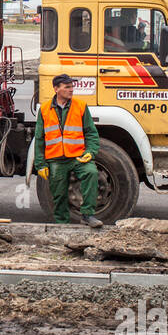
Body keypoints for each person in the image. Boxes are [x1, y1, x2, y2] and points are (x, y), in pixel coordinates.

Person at [34, 73, 103, 227]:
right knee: (58, 195)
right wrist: (40, 164)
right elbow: (39, 139)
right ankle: (61, 224)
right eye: (67, 87)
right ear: (56, 89)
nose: (71, 90)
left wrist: (90, 152)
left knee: (91, 172)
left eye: (72, 86)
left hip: (77, 157)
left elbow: (91, 133)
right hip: (56, 159)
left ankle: (87, 215)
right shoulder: (45, 109)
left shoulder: (80, 106)